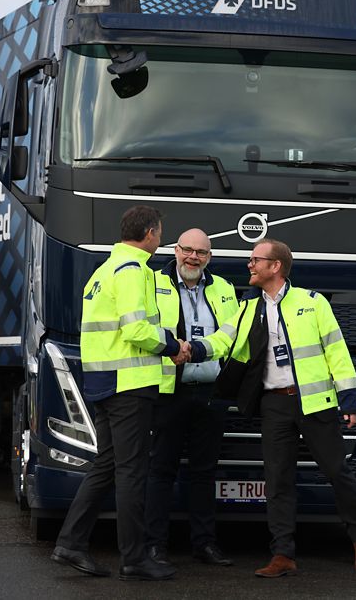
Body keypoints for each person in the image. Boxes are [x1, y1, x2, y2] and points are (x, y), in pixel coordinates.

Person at [186, 238, 356, 577]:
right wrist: (191, 350)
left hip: (315, 403)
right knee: (277, 480)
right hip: (274, 404)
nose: (250, 265)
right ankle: (283, 554)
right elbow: (221, 340)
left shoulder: (312, 303)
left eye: (256, 260)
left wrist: (349, 398)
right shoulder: (246, 308)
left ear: (275, 266)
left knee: (337, 473)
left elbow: (337, 352)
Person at [50, 205, 183, 582]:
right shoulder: (133, 271)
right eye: (160, 232)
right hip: (130, 386)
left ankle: (71, 543)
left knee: (107, 465)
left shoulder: (104, 270)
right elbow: (136, 330)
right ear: (152, 233)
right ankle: (135, 558)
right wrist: (173, 346)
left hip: (105, 383)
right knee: (131, 472)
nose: (160, 238)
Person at [144, 228, 239, 568]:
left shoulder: (224, 289)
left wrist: (198, 350)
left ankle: (204, 544)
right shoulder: (152, 283)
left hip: (210, 391)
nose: (193, 257)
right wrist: (174, 347)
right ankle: (154, 545)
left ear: (209, 257)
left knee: (204, 472)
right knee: (161, 470)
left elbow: (233, 332)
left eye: (200, 252)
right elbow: (144, 326)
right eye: (187, 250)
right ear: (175, 250)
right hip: (169, 390)